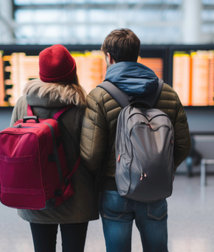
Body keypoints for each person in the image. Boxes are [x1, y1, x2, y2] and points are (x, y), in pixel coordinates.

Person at [80, 28, 190, 252]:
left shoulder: (99, 96)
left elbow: (91, 154)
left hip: (114, 190)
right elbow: (183, 146)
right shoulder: (168, 93)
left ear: (109, 57)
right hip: (154, 189)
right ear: (137, 55)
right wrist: (156, 168)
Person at [10, 44, 98, 252]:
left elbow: (15, 149)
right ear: (72, 72)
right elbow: (91, 154)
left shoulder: (23, 104)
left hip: (37, 195)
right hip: (76, 196)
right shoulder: (83, 106)